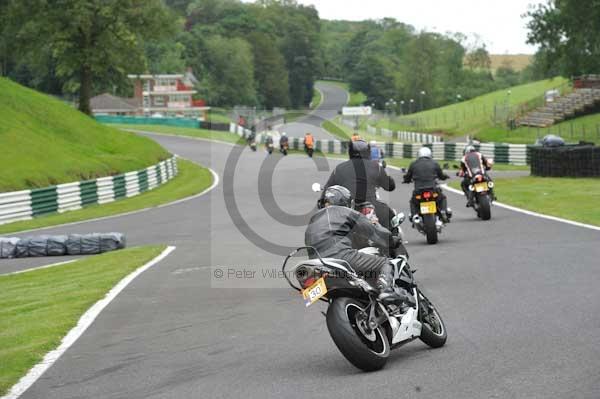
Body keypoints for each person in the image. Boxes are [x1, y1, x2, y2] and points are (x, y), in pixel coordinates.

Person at [305, 185, 413, 307]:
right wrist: (391, 241)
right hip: (340, 256)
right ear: (346, 202)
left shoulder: (313, 219)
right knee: (386, 263)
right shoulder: (347, 212)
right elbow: (374, 232)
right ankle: (386, 291)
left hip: (317, 264)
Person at [322, 139, 396, 230]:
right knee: (391, 219)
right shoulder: (376, 167)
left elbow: (327, 189)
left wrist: (322, 201)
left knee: (327, 225)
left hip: (346, 209)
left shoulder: (340, 168)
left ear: (350, 151)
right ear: (368, 151)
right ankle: (394, 240)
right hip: (371, 205)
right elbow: (390, 186)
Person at [403, 147, 451, 223]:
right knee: (442, 198)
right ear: (430, 154)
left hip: (419, 191)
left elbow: (408, 176)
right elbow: (441, 175)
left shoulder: (413, 164)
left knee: (413, 202)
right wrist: (445, 177)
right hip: (432, 190)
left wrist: (406, 180)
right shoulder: (434, 163)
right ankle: (443, 211)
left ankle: (414, 215)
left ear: (419, 155)